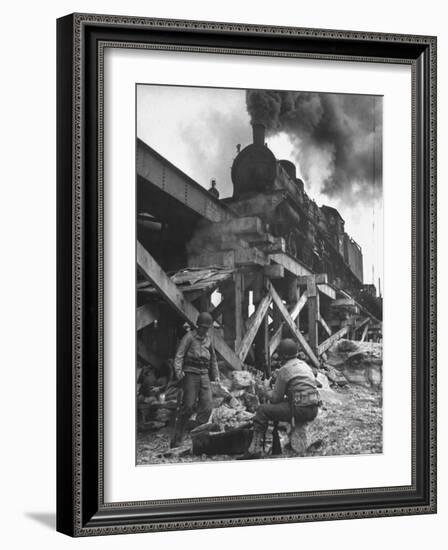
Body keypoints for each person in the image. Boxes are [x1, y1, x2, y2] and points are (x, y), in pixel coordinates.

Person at [247, 338, 320, 458]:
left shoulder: (285, 369)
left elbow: (276, 398)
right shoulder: (304, 365)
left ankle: (253, 450)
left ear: (283, 355)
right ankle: (275, 446)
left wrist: (265, 388)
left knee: (263, 410)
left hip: (301, 410)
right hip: (313, 408)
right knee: (277, 408)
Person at [173, 312, 220, 439]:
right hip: (190, 374)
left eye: (207, 328)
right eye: (203, 327)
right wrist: (178, 372)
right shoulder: (189, 337)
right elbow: (179, 355)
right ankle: (178, 436)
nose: (204, 330)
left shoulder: (209, 340)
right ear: (198, 326)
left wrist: (216, 376)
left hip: (204, 374)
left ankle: (199, 435)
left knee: (207, 406)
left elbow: (213, 359)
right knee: (188, 406)